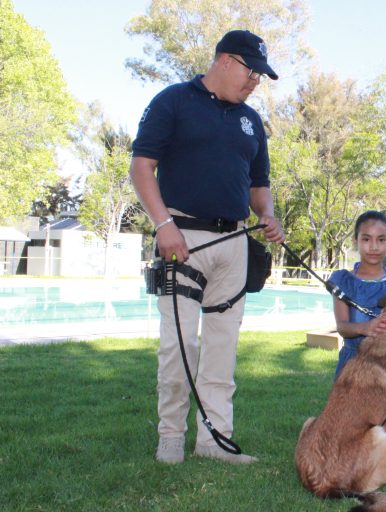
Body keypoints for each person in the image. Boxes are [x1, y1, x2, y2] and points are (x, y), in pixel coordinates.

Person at [130, 30, 285, 465]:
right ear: (224, 60)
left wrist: (267, 216)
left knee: (222, 348)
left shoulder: (251, 121)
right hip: (182, 238)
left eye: (261, 74)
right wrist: (163, 225)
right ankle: (170, 438)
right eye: (252, 70)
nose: (256, 80)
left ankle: (215, 440)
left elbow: (259, 186)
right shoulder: (174, 101)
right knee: (179, 346)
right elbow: (142, 166)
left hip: (235, 242)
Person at [328, 210, 386, 378]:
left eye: (381, 239)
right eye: (366, 239)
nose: (374, 246)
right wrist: (364, 328)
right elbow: (342, 327)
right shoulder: (343, 280)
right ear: (355, 241)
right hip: (352, 366)